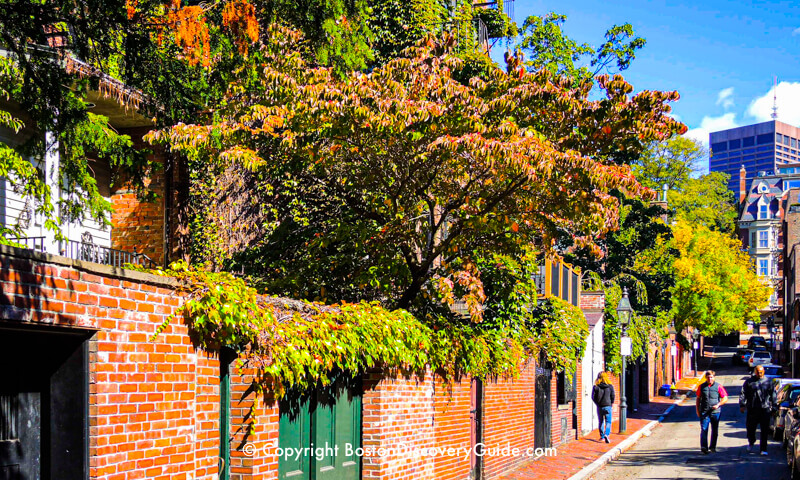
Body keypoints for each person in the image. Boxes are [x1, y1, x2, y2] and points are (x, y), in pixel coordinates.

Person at [739, 364, 776, 455]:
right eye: (758, 372)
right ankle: (751, 441)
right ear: (755, 372)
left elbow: (773, 395)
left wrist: (774, 407)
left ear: (763, 371)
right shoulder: (749, 382)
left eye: (761, 372)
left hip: (765, 409)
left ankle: (763, 449)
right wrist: (742, 405)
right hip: (752, 409)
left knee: (764, 430)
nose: (759, 373)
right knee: (750, 428)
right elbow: (743, 393)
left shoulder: (768, 382)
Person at [695, 370, 728, 454]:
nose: (710, 379)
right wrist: (697, 410)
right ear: (706, 378)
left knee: (714, 430)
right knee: (704, 429)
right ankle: (704, 447)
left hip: (715, 412)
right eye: (708, 377)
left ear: (714, 377)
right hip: (704, 411)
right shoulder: (701, 387)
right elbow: (698, 398)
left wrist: (718, 404)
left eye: (711, 377)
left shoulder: (718, 386)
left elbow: (725, 398)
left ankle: (712, 447)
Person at [592, 371, 615, 443]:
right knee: (608, 421)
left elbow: (593, 397)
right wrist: (611, 403)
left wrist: (597, 403)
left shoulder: (596, 387)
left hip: (600, 406)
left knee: (601, 421)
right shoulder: (610, 386)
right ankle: (606, 434)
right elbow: (613, 396)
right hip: (608, 406)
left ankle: (602, 436)